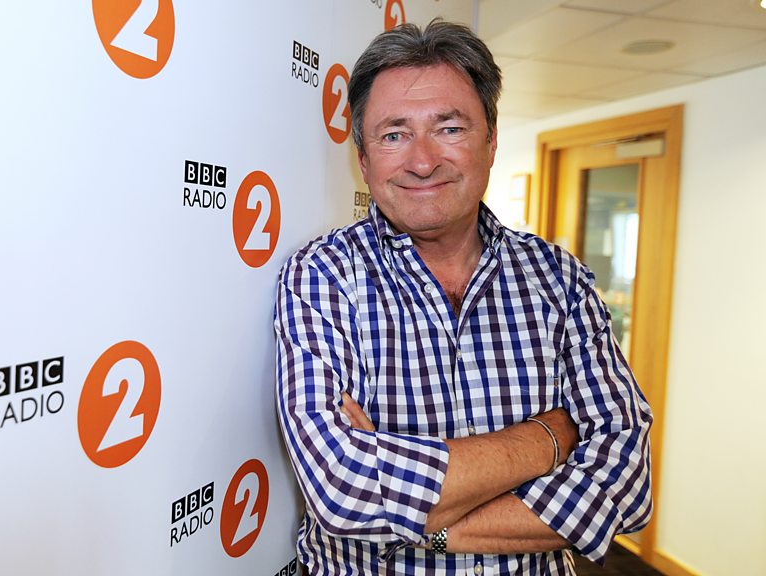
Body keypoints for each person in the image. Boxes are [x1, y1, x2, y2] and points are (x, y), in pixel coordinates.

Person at [274, 19, 652, 576]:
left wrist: (410, 513)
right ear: (364, 159)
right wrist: (547, 438)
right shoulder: (322, 277)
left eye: (449, 128)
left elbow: (626, 482)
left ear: (491, 141)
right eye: (393, 135)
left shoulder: (561, 280)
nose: (422, 161)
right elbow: (343, 491)